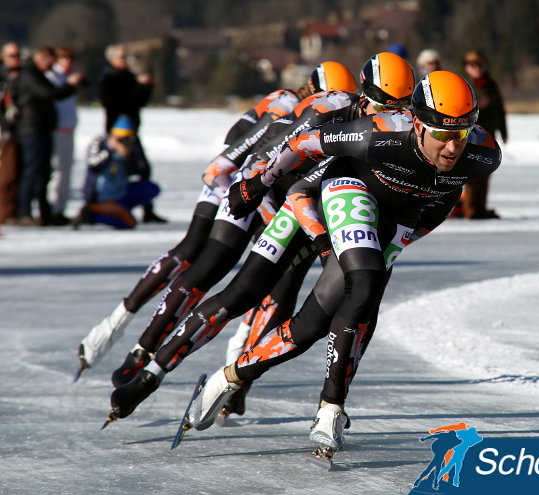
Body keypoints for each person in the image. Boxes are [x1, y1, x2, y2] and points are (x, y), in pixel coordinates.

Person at [178, 71, 501, 463]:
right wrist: (259, 183)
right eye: (442, 134)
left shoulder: (484, 154)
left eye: (462, 133)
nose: (453, 147)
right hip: (349, 187)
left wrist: (403, 240)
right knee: (364, 282)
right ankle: (331, 408)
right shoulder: (377, 133)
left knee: (312, 326)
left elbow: (443, 204)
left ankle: (228, 378)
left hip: (400, 218)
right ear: (416, 123)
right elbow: (302, 143)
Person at [103, 53, 417, 426]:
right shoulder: (326, 110)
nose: (393, 118)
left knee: (319, 304)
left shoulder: (407, 129)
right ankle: (150, 374)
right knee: (242, 293)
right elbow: (268, 161)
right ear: (362, 97)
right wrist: (258, 192)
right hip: (284, 200)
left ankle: (242, 387)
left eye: (402, 108)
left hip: (336, 211)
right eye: (384, 106)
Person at [75, 62, 352, 379]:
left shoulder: (324, 114)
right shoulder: (289, 106)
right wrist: (253, 199)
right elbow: (227, 159)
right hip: (236, 182)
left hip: (268, 191)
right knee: (201, 254)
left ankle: (237, 364)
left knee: (275, 278)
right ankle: (130, 335)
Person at [13, 46, 83, 226]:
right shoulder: (30, 75)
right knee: (32, 170)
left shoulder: (36, 74)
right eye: (49, 61)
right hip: (31, 128)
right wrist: (71, 85)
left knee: (44, 172)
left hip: (41, 127)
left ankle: (45, 213)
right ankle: (24, 213)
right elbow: (50, 94)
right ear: (41, 58)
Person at [99, 43, 165, 223]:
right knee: (114, 171)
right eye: (121, 56)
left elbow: (138, 103)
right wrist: (138, 87)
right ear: (111, 58)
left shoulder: (129, 77)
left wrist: (146, 87)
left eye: (126, 56)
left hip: (132, 132)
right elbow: (119, 104)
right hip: (117, 135)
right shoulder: (109, 78)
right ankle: (106, 206)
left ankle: (147, 209)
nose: (125, 59)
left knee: (142, 169)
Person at [75, 115, 160, 229]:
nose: (124, 142)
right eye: (121, 139)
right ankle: (91, 214)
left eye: (128, 139)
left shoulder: (133, 146)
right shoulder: (100, 142)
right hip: (101, 197)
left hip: (121, 192)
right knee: (129, 222)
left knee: (151, 188)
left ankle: (121, 209)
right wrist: (109, 150)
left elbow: (143, 172)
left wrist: (129, 157)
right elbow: (93, 165)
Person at [461, 49, 506, 219]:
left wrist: (504, 131)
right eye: (473, 65)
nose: (477, 68)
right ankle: (470, 208)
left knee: (487, 170)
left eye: (480, 64)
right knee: (472, 172)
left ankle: (481, 208)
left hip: (489, 135)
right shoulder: (464, 84)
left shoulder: (491, 85)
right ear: (466, 67)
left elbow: (500, 110)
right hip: (470, 135)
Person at [45, 47, 79, 225]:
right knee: (56, 170)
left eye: (71, 57)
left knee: (66, 171)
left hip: (68, 129)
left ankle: (60, 209)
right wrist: (70, 85)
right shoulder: (52, 77)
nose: (68, 61)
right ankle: (52, 209)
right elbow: (53, 97)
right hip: (55, 129)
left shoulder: (70, 76)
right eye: (64, 57)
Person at [0, 42, 21, 225]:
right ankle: (5, 213)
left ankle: (12, 211)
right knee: (6, 173)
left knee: (15, 172)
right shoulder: (3, 77)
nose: (17, 59)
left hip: (17, 129)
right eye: (12, 56)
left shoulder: (18, 75)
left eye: (19, 55)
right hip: (4, 131)